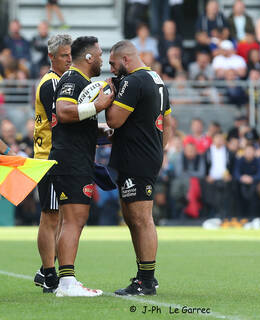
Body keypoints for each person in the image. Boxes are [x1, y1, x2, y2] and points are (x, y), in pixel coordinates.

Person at [49, 36, 114, 297]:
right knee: (74, 220)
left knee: (71, 220)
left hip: (73, 158)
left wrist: (100, 131)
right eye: (99, 54)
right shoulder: (72, 79)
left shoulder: (80, 82)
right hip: (71, 161)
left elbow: (73, 123)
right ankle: (67, 283)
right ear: (88, 57)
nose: (101, 59)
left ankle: (66, 281)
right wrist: (98, 106)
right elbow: (64, 112)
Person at [107, 40, 172, 295]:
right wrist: (158, 151)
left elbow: (114, 119)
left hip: (137, 158)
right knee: (132, 218)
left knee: (141, 219)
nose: (111, 69)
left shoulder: (133, 81)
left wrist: (109, 96)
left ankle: (147, 280)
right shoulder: (156, 79)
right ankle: (144, 276)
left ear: (125, 60)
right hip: (143, 156)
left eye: (113, 64)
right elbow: (168, 122)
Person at [32, 34, 72, 293]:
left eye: (71, 55)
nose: (69, 60)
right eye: (64, 56)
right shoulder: (51, 84)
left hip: (56, 157)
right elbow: (59, 122)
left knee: (58, 217)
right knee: (51, 217)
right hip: (49, 158)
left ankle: (44, 270)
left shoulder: (60, 81)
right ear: (51, 57)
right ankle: (48, 273)